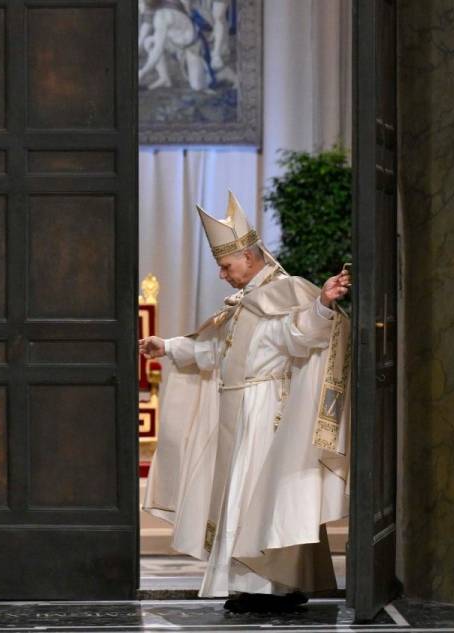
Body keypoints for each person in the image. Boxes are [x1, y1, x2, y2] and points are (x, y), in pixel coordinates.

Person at [140, 192, 352, 613]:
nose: (222, 275)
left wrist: (323, 304)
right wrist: (167, 346)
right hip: (238, 412)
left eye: (226, 265)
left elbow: (299, 334)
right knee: (237, 496)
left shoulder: (284, 292)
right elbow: (215, 351)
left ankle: (271, 586)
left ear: (250, 258)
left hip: (266, 412)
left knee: (257, 497)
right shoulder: (243, 304)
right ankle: (245, 583)